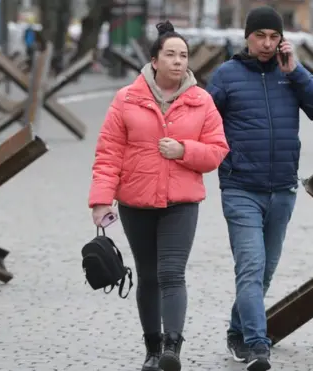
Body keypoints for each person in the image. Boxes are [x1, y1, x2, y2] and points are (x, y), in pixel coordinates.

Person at [88, 21, 229, 371]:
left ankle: (171, 349)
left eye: (183, 55)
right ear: (154, 60)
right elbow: (108, 153)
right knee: (148, 275)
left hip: (181, 203)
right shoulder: (126, 99)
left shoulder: (202, 102)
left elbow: (216, 151)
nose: (178, 61)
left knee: (171, 273)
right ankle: (152, 348)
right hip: (135, 202)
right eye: (170, 55)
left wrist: (184, 150)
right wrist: (101, 200)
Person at [205, 6, 313, 371]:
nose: (266, 43)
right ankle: (257, 346)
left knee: (263, 273)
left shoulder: (290, 74)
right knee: (250, 267)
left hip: (282, 190)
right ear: (247, 37)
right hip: (240, 188)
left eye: (273, 37)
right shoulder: (226, 76)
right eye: (259, 36)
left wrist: (297, 72)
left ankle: (236, 331)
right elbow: (199, 121)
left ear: (282, 40)